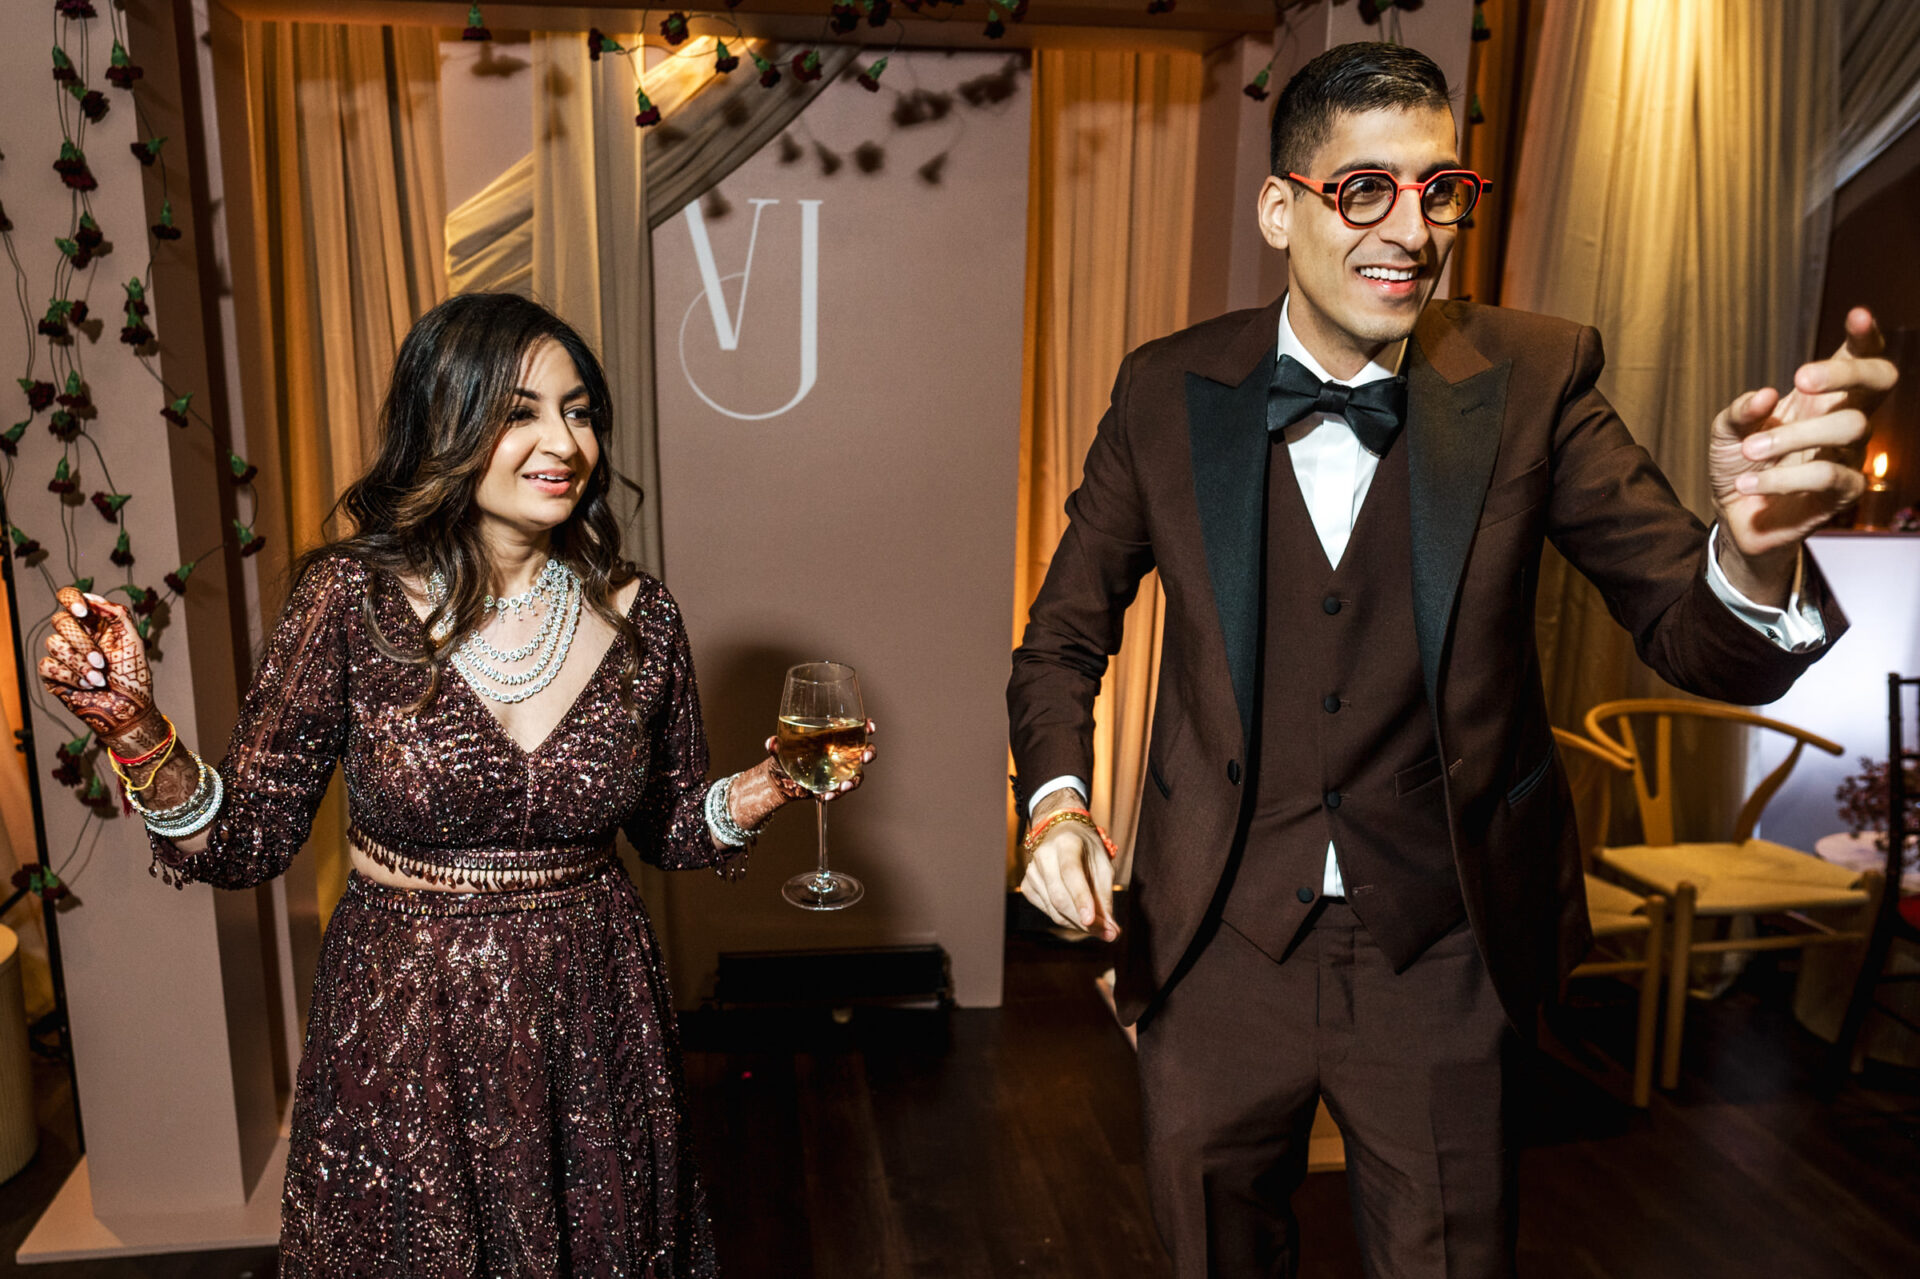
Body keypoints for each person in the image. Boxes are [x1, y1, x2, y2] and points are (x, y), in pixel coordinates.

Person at [1008, 42, 1893, 1279]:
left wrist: (1747, 559)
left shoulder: (1536, 377)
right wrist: (1056, 807)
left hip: (1442, 942)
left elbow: (1691, 634)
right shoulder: (1165, 392)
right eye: (1365, 188)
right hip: (1215, 942)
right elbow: (1060, 637)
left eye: (1441, 190)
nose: (1412, 230)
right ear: (1282, 208)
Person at [38, 292, 871, 1275]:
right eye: (519, 411)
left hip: (595, 1023)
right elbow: (244, 839)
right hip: (407, 1030)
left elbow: (674, 829)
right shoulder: (350, 599)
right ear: (446, 422)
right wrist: (135, 729)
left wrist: (775, 782)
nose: (563, 440)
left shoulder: (644, 618)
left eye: (579, 410)